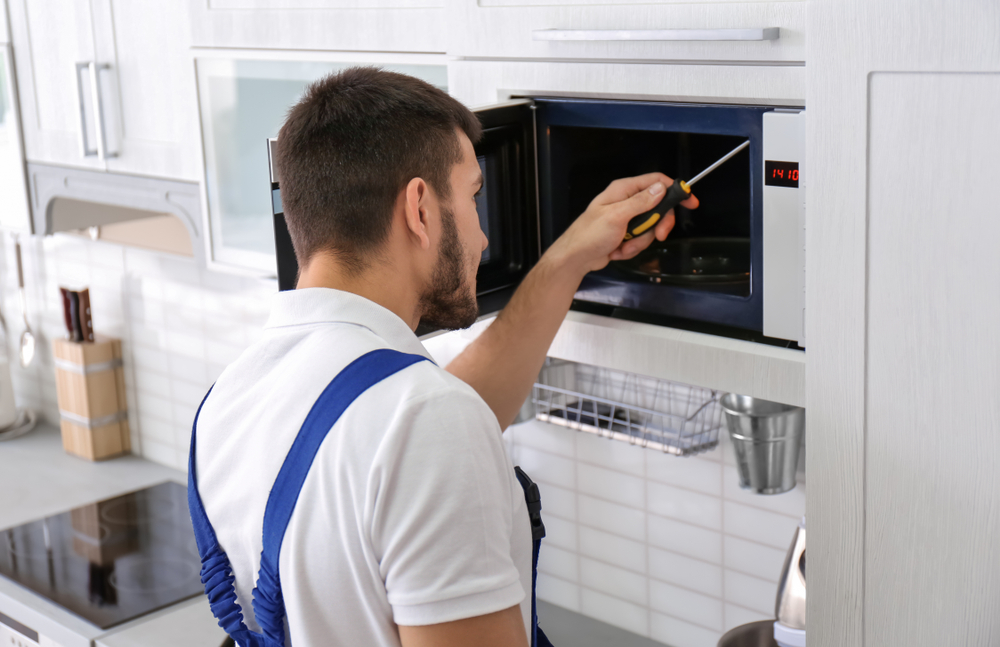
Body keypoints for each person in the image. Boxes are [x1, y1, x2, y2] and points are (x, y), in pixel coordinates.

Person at [188, 66, 698, 647]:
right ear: (421, 210)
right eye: (474, 196)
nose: (482, 238)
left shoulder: (231, 398)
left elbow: (398, 438)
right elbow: (423, 436)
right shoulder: (422, 422)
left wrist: (570, 259)